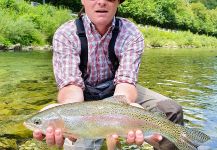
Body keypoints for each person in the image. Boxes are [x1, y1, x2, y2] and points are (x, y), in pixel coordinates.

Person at [33, 0, 184, 149]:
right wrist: (66, 111)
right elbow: (71, 86)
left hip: (118, 92)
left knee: (171, 110)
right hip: (81, 99)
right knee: (75, 141)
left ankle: (176, 138)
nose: (102, 2)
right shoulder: (66, 34)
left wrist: (128, 111)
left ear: (118, 2)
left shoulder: (130, 33)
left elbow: (125, 82)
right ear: (83, 0)